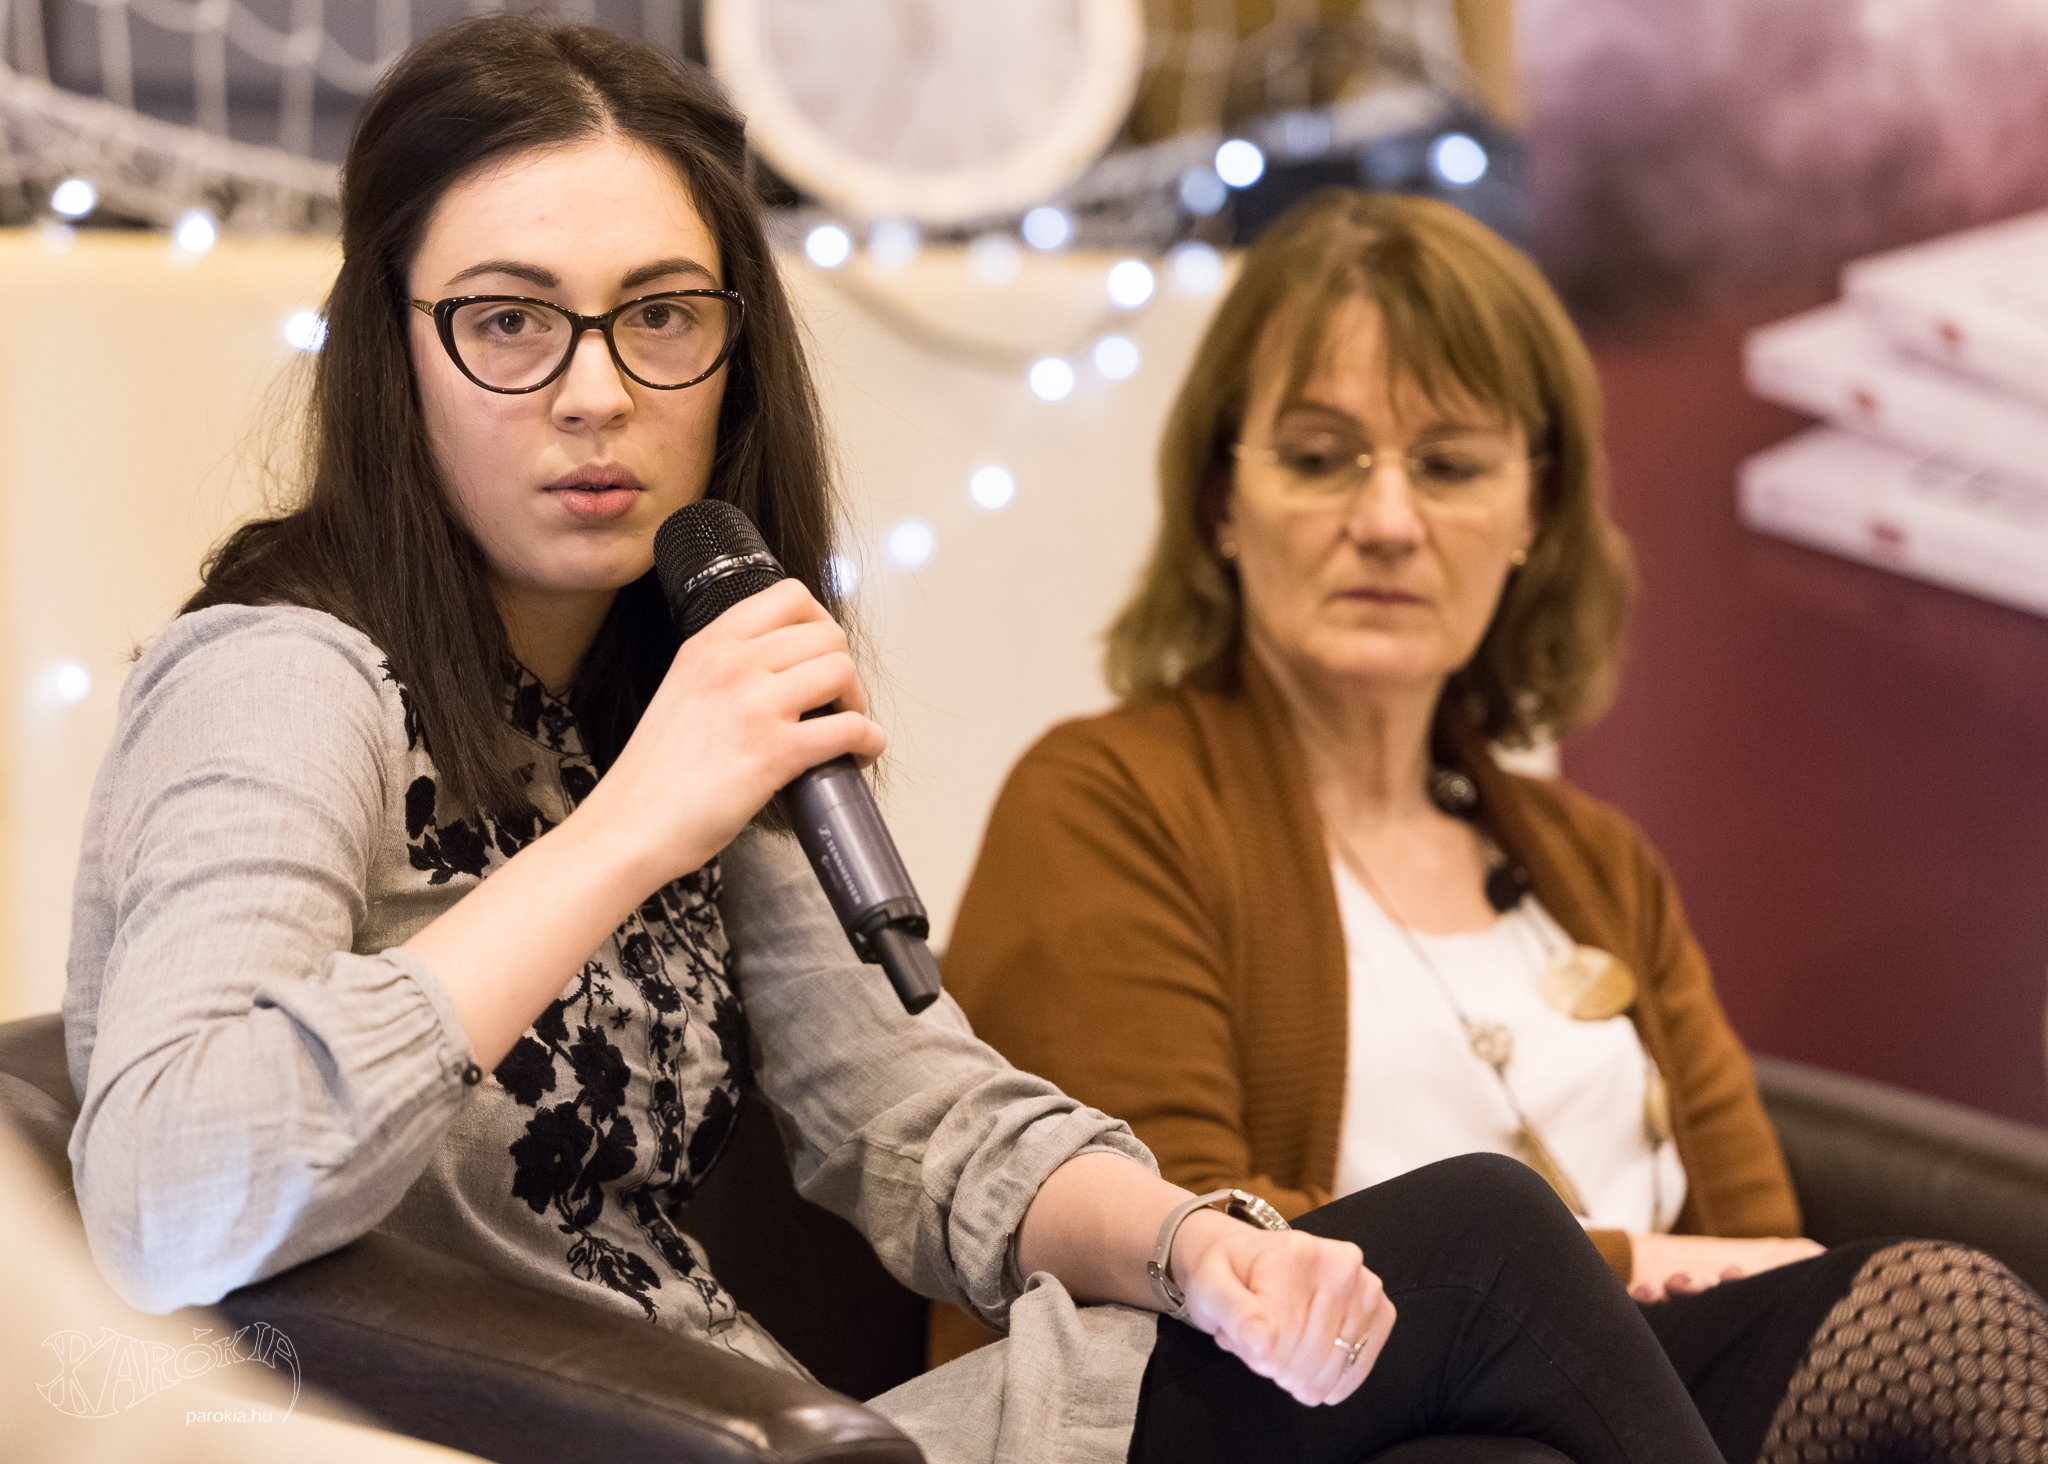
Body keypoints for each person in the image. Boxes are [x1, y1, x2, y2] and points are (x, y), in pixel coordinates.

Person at [58, 19, 1741, 1464]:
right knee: (1486, 1249)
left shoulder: (678, 675)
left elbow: (918, 1116)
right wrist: (632, 825)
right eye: (509, 320)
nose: (593, 391)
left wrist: (1194, 1246)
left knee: (1456, 1398)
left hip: (771, 1418)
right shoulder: (283, 675)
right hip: (592, 1435)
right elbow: (160, 1197)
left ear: (732, 354)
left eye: (660, 316)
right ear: (395, 351)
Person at [943, 189, 2048, 1462]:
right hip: (1335, 1427)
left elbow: (1762, 1249)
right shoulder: (1104, 801)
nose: (1386, 522)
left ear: (1531, 512)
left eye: (1451, 466)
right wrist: (1622, 1262)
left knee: (1930, 1319)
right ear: (1220, 503)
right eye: (1319, 458)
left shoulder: (1595, 862)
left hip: (1662, 1418)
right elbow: (1175, 1238)